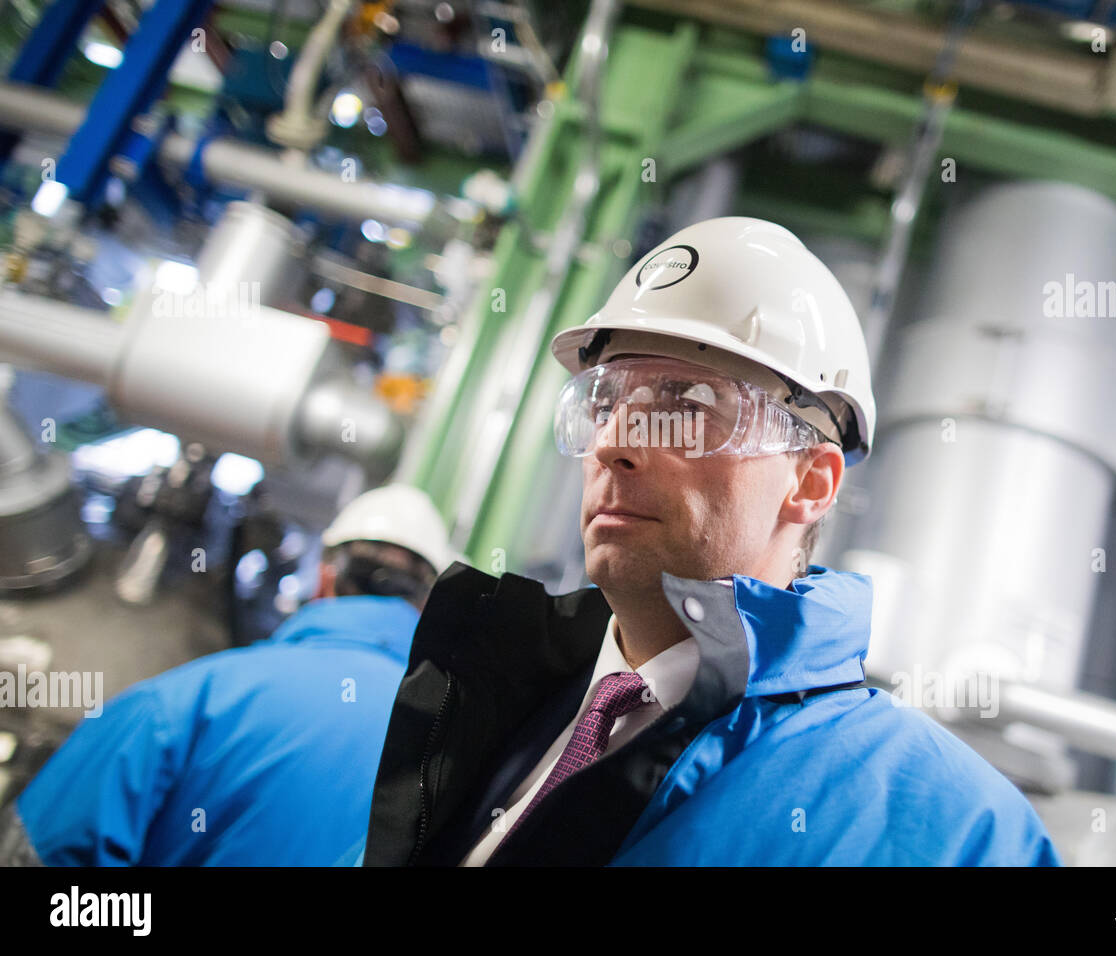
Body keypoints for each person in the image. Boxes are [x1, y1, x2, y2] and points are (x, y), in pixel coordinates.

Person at [360, 217, 1062, 867]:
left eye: (686, 407)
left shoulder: (950, 829)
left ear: (811, 481)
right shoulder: (485, 705)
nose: (612, 443)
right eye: (603, 404)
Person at [0, 483, 456, 866]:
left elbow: (40, 855)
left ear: (324, 577)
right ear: (429, 604)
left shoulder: (193, 697)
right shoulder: (457, 753)